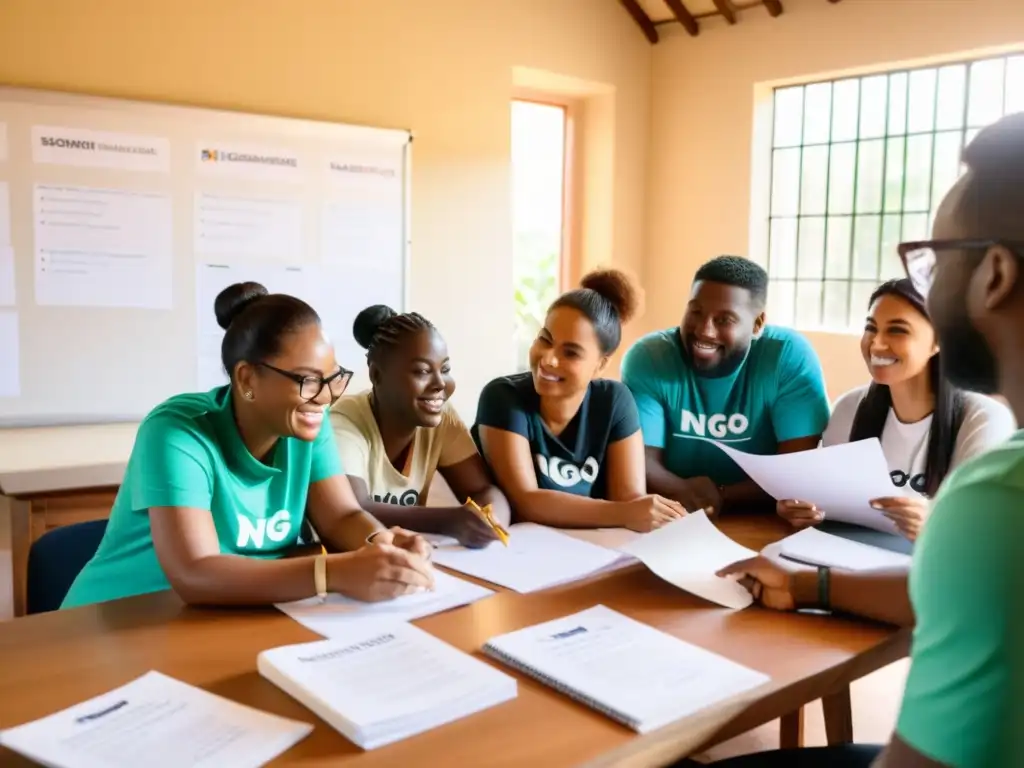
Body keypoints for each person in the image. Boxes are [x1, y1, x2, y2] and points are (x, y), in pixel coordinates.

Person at [704, 112, 1024, 767]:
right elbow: (965, 590)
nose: (879, 341)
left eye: (934, 261)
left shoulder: (997, 497)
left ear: (994, 273)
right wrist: (814, 585)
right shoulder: (865, 413)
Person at [62, 282, 434, 610]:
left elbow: (341, 517)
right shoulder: (177, 433)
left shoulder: (306, 421)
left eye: (333, 379)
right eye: (308, 380)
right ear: (247, 378)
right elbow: (196, 572)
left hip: (223, 614)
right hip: (122, 617)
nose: (324, 398)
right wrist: (331, 573)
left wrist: (379, 543)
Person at [778, 278, 1015, 541]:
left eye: (897, 330)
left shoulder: (985, 419)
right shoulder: (849, 408)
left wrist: (938, 522)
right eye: (871, 328)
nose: (876, 344)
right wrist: (805, 510)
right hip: (854, 560)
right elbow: (829, 503)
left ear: (938, 341)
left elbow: (990, 527)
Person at [474, 269, 686, 531]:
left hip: (591, 551)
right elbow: (526, 502)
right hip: (515, 552)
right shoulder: (503, 398)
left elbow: (630, 499)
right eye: (545, 339)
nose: (548, 359)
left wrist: (648, 513)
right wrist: (625, 512)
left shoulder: (615, 402)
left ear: (600, 365)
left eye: (571, 353)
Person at [621, 255, 830, 515]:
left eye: (724, 320)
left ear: (757, 324)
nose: (704, 331)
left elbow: (795, 467)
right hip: (674, 514)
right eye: (696, 312)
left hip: (761, 518)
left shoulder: (787, 357)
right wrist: (683, 491)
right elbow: (641, 459)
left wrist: (721, 496)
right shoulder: (649, 357)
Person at [329, 305, 511, 548]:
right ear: (377, 375)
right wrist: (448, 521)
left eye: (445, 369)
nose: (440, 384)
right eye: (422, 371)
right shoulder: (343, 423)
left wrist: (490, 517)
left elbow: (483, 489)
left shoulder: (442, 418)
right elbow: (353, 508)